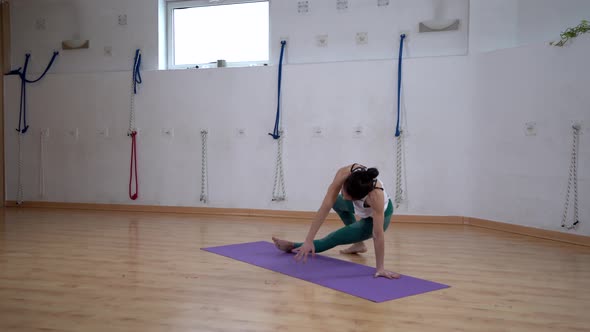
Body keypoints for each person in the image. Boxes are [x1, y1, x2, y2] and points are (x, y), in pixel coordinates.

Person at [272, 163, 400, 279]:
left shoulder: (376, 197)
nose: (343, 196)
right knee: (336, 202)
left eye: (348, 197)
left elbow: (378, 236)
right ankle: (359, 244)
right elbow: (325, 207)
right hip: (360, 205)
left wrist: (380, 268)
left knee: (334, 238)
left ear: (357, 198)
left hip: (376, 218)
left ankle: (293, 245)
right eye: (343, 191)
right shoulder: (344, 173)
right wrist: (308, 240)